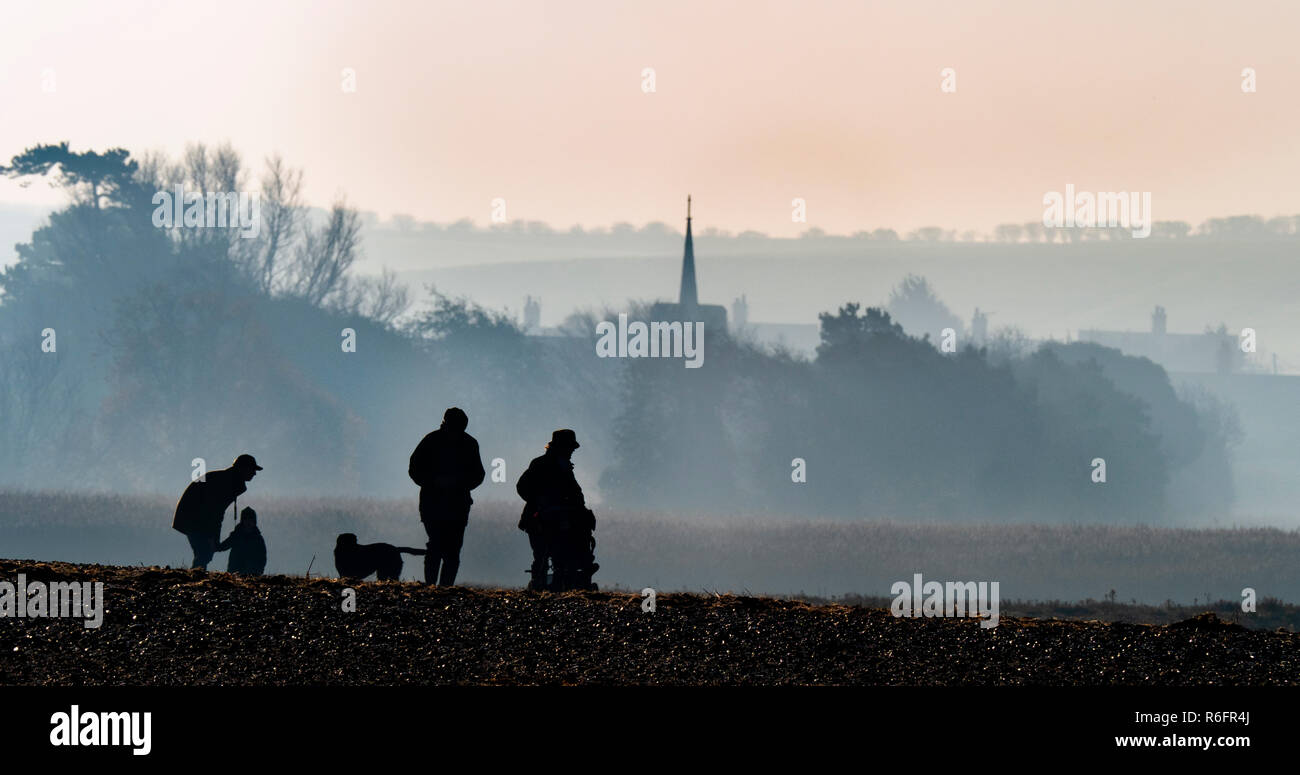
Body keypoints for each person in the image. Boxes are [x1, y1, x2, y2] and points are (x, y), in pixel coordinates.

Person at [408, 407, 485, 586]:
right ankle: (437, 587)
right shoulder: (440, 441)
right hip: (440, 502)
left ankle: (440, 588)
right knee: (440, 545)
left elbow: (478, 474)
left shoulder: (437, 440)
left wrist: (451, 483)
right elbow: (415, 468)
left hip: (447, 503)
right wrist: (436, 482)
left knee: (446, 547)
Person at [516, 429, 598, 591]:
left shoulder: (563, 466)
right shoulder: (541, 464)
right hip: (541, 519)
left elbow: (575, 494)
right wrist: (540, 501)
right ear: (561, 447)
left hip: (559, 519)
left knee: (557, 553)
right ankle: (545, 582)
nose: (571, 452)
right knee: (544, 554)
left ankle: (563, 579)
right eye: (570, 448)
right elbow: (523, 487)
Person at [171, 454, 262, 570]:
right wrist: (212, 537)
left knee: (205, 553)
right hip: (193, 518)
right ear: (243, 468)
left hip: (191, 517)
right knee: (205, 552)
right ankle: (196, 579)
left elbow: (214, 512)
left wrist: (214, 539)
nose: (254, 473)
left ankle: (196, 577)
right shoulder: (227, 482)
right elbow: (213, 512)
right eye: (252, 469)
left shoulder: (227, 479)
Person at [218, 506, 267, 576]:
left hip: (252, 574)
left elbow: (262, 558)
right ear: (242, 521)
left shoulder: (258, 539)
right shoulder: (236, 536)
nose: (248, 522)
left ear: (254, 522)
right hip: (235, 572)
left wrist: (259, 571)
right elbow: (223, 546)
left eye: (250, 520)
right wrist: (215, 546)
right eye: (246, 519)